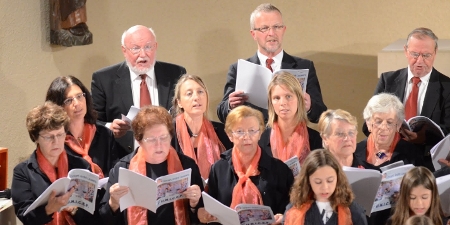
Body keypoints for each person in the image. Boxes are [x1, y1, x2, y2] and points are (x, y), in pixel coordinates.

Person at [216, 3, 326, 124]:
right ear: (253, 34)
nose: (272, 33)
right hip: (255, 140)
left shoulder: (304, 66)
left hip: (293, 139)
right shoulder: (238, 69)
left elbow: (320, 114)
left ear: (284, 30)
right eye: (264, 28)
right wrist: (230, 105)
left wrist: (309, 107)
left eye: (277, 27)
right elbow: (222, 114)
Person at [98, 106, 204, 225]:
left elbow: (202, 215)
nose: (159, 145)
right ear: (139, 140)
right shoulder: (123, 168)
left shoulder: (187, 165)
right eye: (151, 139)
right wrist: (114, 202)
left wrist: (194, 204)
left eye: (164, 137)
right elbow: (104, 218)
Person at [91, 25, 186, 152]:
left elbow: (184, 113)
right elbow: (92, 121)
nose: (143, 54)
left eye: (148, 47)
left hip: (169, 153)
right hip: (124, 156)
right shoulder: (104, 79)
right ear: (124, 51)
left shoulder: (175, 74)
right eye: (135, 48)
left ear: (155, 47)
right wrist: (110, 127)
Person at [367, 27, 450, 169]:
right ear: (406, 51)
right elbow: (368, 122)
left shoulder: (447, 87)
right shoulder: (388, 80)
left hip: (427, 162)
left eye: (426, 55)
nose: (419, 61)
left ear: (435, 53)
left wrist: (423, 137)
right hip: (388, 158)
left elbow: (448, 130)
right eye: (415, 54)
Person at [199, 105, 294, 224]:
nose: (247, 137)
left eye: (252, 131)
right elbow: (211, 209)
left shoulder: (280, 170)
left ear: (260, 133)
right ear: (230, 135)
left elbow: (292, 208)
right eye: (240, 131)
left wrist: (283, 217)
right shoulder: (219, 169)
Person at [11, 102, 98, 225]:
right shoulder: (23, 171)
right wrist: (49, 209)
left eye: (60, 134)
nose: (56, 141)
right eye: (48, 137)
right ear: (35, 138)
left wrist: (74, 210)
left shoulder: (82, 166)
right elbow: (24, 215)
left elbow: (93, 217)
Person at [46, 76, 127, 178]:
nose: (76, 103)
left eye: (79, 96)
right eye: (68, 100)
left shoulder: (104, 134)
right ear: (58, 106)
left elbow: (115, 173)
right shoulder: (55, 140)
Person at [284, 149, 367, 225]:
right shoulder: (293, 210)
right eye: (318, 182)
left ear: (338, 178)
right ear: (308, 181)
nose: (325, 187)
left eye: (330, 181)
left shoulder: (354, 212)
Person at [170, 74, 228, 179]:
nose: (196, 97)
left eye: (200, 92)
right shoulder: (168, 133)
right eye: (189, 94)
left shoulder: (222, 132)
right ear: (179, 103)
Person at [259, 71, 322, 163]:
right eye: (277, 98)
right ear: (271, 103)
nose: (283, 103)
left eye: (288, 96)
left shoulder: (316, 139)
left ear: (299, 99)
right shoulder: (261, 139)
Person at [356, 93, 423, 170]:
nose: (384, 127)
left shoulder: (412, 155)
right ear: (368, 123)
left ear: (398, 125)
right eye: (378, 121)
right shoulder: (354, 151)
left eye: (389, 122)